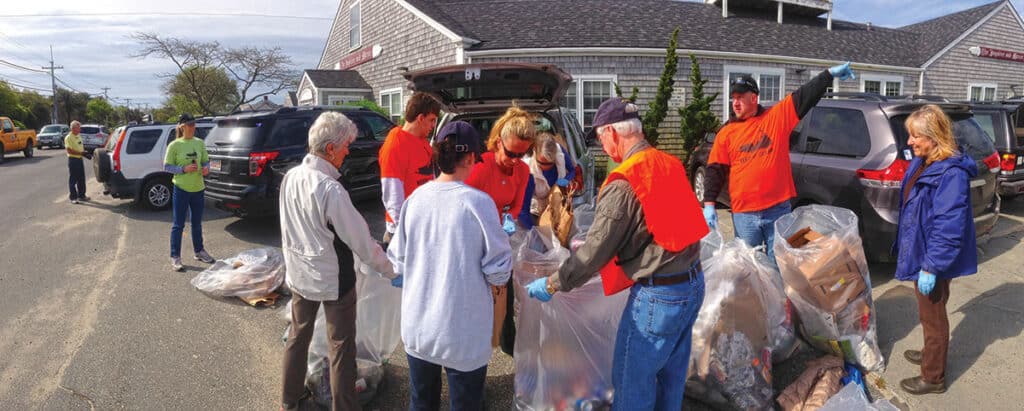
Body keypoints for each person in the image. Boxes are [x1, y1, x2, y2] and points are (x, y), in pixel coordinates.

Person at [525, 98, 709, 410]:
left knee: (632, 381)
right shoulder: (669, 163)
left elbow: (594, 253)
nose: (601, 145)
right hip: (692, 283)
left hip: (658, 297)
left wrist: (554, 283)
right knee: (671, 375)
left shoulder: (625, 180)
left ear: (611, 131)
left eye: (599, 137)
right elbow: (660, 220)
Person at [387, 121, 512, 410]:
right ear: (469, 158)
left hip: (419, 328)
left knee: (421, 401)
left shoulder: (414, 199)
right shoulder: (479, 203)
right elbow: (499, 270)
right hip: (462, 332)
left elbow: (397, 261)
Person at [278, 112, 397, 411]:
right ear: (330, 149)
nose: (348, 152)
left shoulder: (291, 177)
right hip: (334, 280)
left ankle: (288, 402)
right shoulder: (330, 189)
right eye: (346, 146)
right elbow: (362, 243)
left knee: (298, 336)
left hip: (300, 275)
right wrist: (391, 270)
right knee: (342, 347)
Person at [702, 62, 856, 261]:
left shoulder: (775, 118)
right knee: (751, 266)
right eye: (733, 98)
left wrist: (828, 75)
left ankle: (779, 293)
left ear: (754, 98)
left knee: (780, 263)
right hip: (744, 213)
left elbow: (803, 97)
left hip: (777, 209)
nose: (735, 103)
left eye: (740, 97)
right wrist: (709, 204)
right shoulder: (726, 133)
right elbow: (715, 170)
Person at [893, 105, 977, 395]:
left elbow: (949, 227)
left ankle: (933, 377)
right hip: (924, 250)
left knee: (934, 317)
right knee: (931, 312)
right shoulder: (925, 161)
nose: (909, 142)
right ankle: (932, 351)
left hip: (933, 257)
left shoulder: (951, 174)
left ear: (934, 136)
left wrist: (931, 266)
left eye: (915, 136)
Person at [465, 105, 535, 355]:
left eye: (522, 154)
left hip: (500, 239)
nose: (516, 161)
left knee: (503, 294)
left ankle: (508, 343)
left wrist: (508, 219)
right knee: (476, 299)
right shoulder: (479, 167)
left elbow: (516, 206)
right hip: (473, 240)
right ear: (496, 143)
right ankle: (474, 348)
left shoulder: (523, 170)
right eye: (511, 153)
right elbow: (463, 207)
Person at [378, 92, 442, 244]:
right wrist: (406, 233)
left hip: (422, 227)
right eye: (432, 120)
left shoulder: (421, 140)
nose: (434, 126)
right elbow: (392, 196)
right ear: (420, 118)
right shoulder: (395, 145)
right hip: (404, 234)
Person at [164, 114, 215, 271]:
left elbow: (206, 160)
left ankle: (199, 251)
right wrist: (183, 169)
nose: (193, 128)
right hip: (181, 188)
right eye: (190, 125)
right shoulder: (174, 145)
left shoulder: (199, 143)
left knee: (197, 223)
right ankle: (175, 257)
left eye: (194, 125)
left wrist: (207, 168)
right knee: (178, 225)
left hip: (198, 188)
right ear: (182, 127)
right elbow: (167, 166)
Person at [518, 118, 577, 229]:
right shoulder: (528, 171)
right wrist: (535, 232)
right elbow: (523, 210)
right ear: (535, 152)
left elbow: (573, 170)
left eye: (550, 164)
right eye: (542, 163)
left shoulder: (560, 152)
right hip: (536, 212)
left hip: (558, 207)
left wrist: (567, 179)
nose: (546, 167)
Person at [64, 120, 89, 204]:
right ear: (73, 128)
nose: (80, 129)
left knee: (81, 178)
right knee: (73, 179)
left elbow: (80, 147)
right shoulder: (68, 137)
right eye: (78, 128)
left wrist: (84, 153)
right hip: (73, 160)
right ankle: (73, 197)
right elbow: (69, 150)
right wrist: (81, 153)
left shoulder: (78, 136)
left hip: (79, 159)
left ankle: (82, 195)